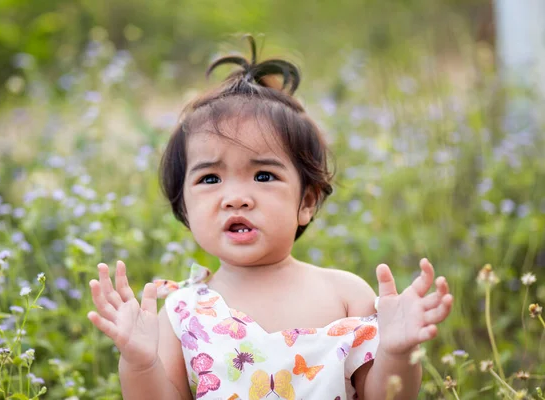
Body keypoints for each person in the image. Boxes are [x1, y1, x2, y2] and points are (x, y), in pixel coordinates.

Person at [87, 35, 453, 400]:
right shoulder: (182, 314)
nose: (236, 199)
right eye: (210, 178)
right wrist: (139, 363)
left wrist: (397, 353)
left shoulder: (345, 294)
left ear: (306, 202)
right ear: (184, 206)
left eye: (263, 176)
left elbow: (385, 397)